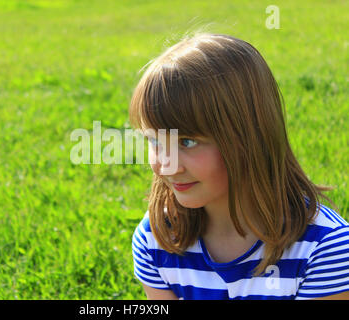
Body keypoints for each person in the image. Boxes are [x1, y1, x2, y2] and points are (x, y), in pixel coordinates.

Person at [129, 32, 349, 300]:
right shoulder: (157, 239)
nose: (166, 166)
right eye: (155, 140)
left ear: (250, 137)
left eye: (187, 142)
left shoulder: (325, 248)